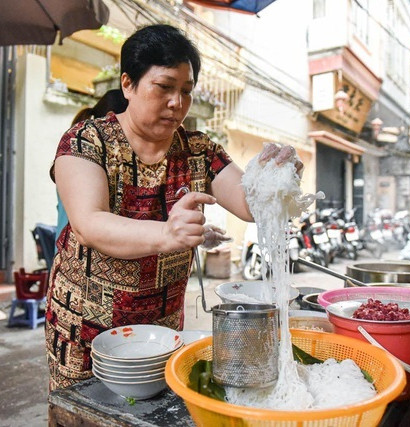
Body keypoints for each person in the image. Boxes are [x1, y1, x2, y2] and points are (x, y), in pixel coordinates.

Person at [45, 24, 300, 391]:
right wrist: (167, 232)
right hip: (85, 326)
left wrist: (278, 180)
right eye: (164, 87)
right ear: (128, 84)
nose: (177, 102)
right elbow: (90, 223)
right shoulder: (86, 140)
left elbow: (249, 203)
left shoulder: (199, 149)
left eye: (186, 91)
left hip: (162, 327)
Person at [51, 89, 129, 250]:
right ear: (111, 117)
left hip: (66, 248)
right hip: (78, 254)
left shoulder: (80, 152)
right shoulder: (85, 157)